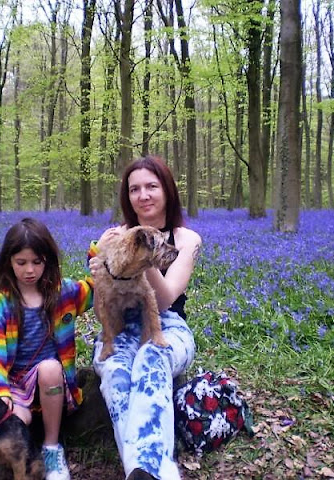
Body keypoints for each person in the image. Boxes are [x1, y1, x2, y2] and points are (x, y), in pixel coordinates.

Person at [88, 155, 202, 480]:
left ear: (167, 190)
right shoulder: (115, 238)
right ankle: (146, 473)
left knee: (151, 360)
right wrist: (101, 265)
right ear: (127, 196)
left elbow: (165, 300)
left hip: (169, 326)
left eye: (151, 186)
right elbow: (101, 293)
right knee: (115, 372)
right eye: (134, 188)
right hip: (122, 326)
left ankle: (153, 471)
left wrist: (143, 257)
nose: (143, 195)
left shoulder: (186, 240)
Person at [0, 217, 94, 480]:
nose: (29, 270)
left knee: (51, 368)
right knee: (18, 422)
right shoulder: (1, 303)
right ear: (8, 261)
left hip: (49, 383)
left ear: (47, 261)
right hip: (13, 384)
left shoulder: (62, 293)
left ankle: (52, 447)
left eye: (37, 262)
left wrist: (100, 251)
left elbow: (94, 289)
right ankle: (19, 462)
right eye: (21, 263)